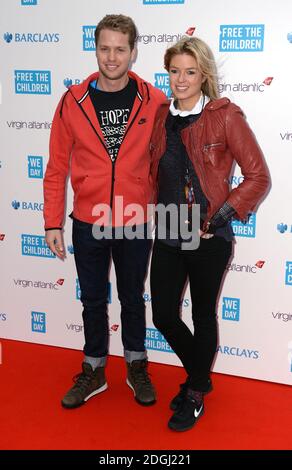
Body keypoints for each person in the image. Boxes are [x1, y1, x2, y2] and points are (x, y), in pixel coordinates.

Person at [43, 14, 166, 409]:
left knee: (132, 298)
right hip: (88, 220)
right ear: (95, 49)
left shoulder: (154, 99)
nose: (111, 57)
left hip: (134, 219)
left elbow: (168, 161)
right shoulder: (72, 101)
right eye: (104, 48)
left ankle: (136, 365)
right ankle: (94, 369)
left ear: (133, 52)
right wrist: (52, 221)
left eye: (120, 49)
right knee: (93, 300)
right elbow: (57, 166)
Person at [149, 36, 270, 431]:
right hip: (169, 224)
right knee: (164, 314)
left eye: (190, 72)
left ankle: (196, 391)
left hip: (208, 233)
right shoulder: (159, 116)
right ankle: (200, 377)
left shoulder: (225, 116)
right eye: (174, 71)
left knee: (202, 315)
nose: (181, 80)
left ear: (204, 75)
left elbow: (258, 177)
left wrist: (216, 219)